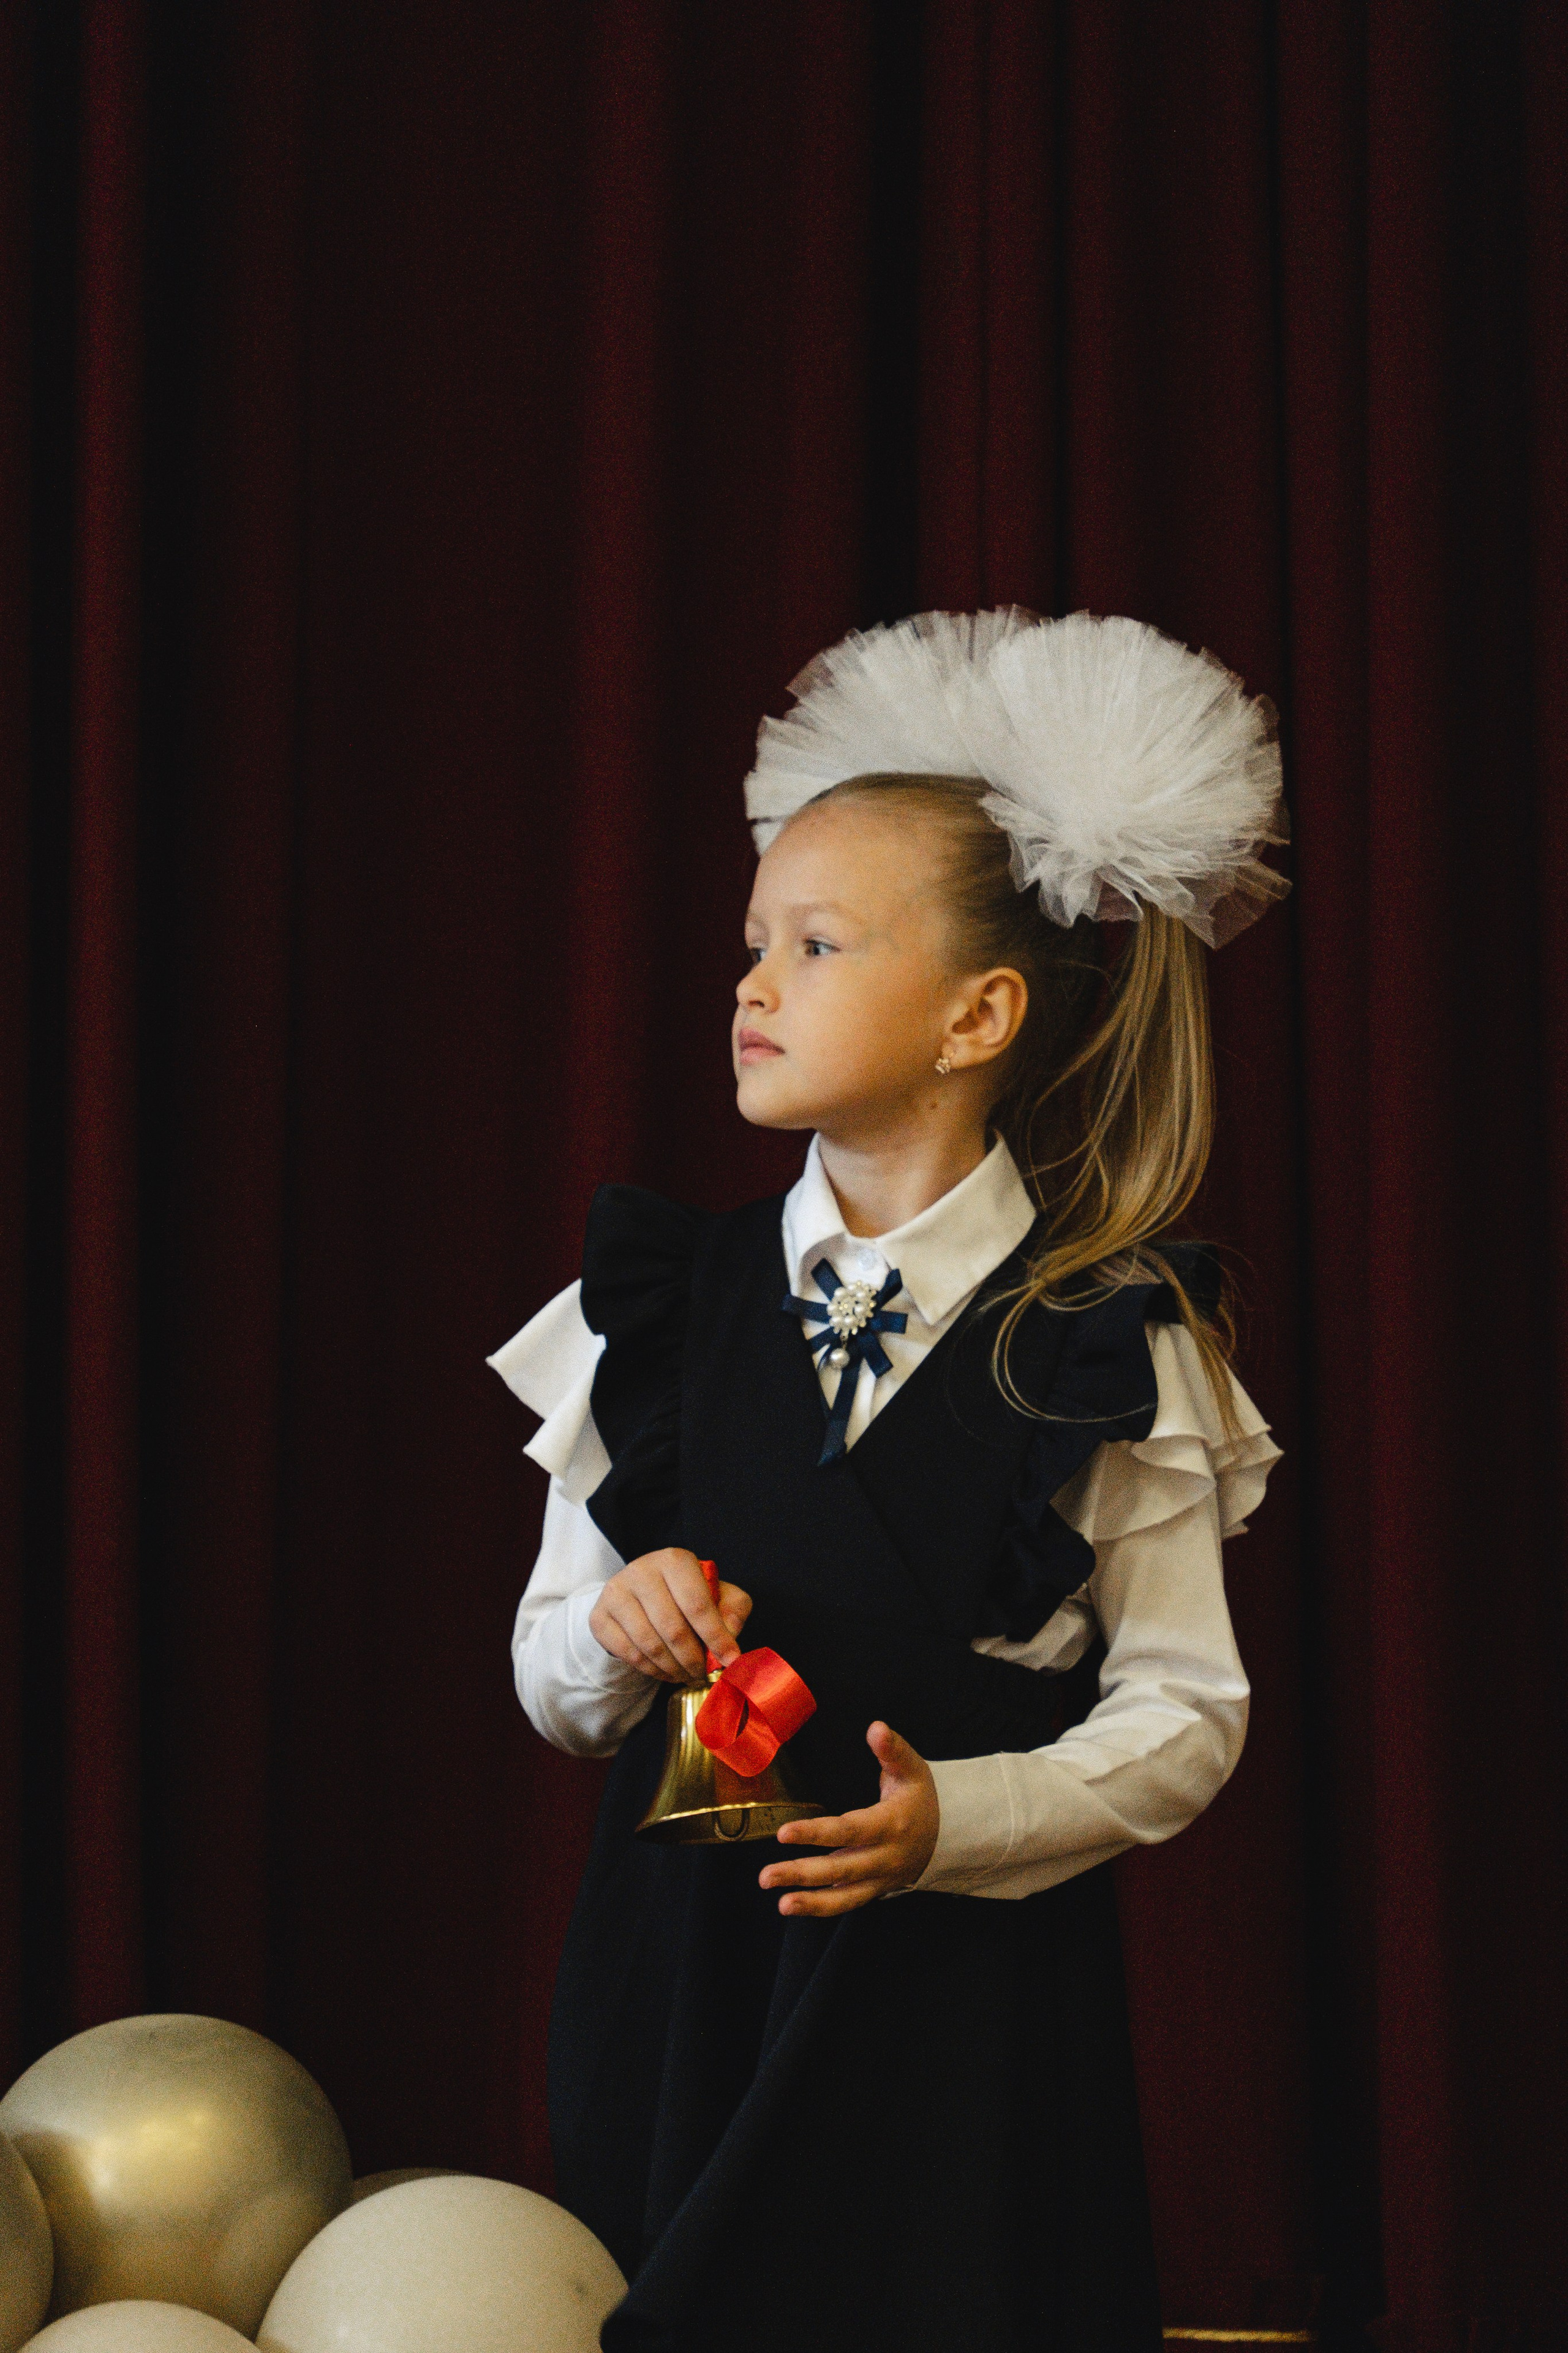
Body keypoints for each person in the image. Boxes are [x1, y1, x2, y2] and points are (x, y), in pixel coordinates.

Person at [488, 610, 1286, 2351]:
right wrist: (617, 1633)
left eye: (819, 942)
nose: (752, 984)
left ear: (977, 1012)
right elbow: (554, 1682)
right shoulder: (654, 1307)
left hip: (964, 2032)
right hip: (681, 1996)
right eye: (751, 944)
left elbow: (1188, 1708)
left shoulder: (1103, 1338)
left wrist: (963, 1826)